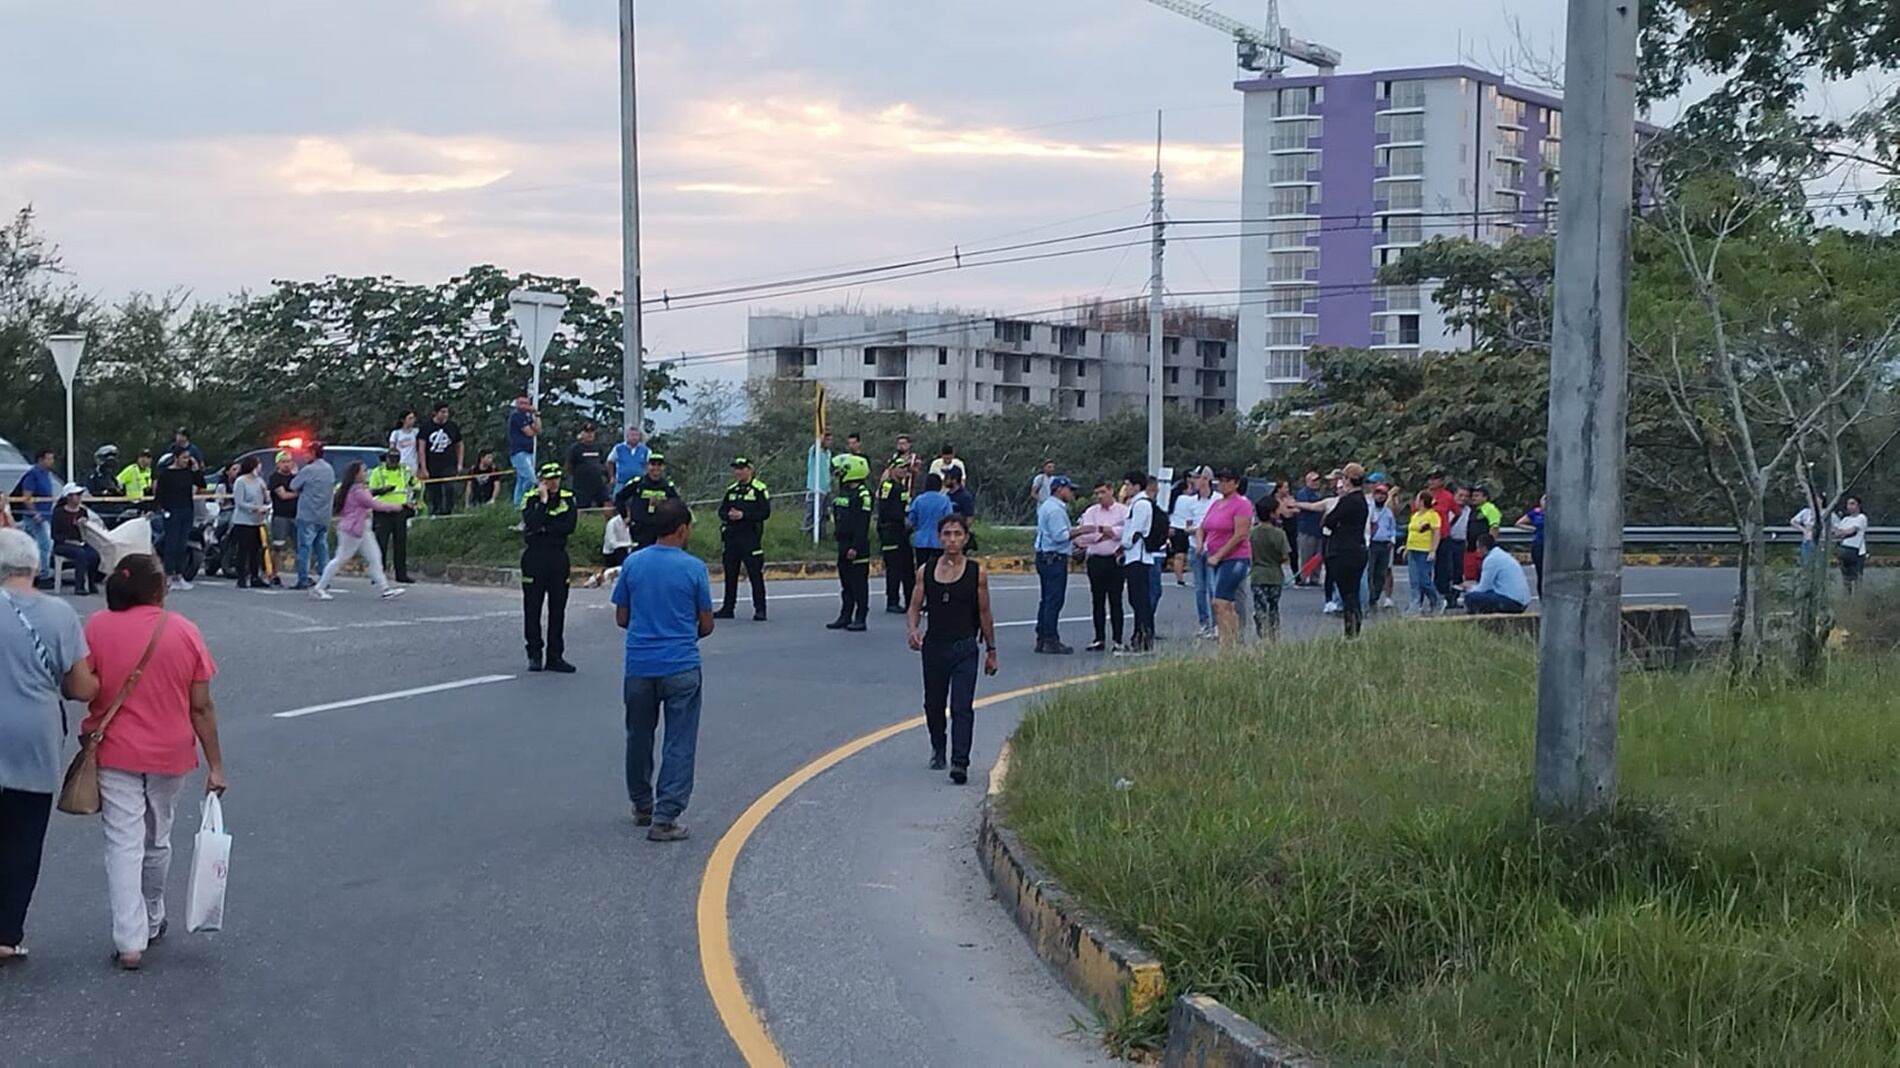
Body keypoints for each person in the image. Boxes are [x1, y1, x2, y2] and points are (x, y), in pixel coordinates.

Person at [81, 553, 225, 970]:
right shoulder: (184, 631)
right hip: (170, 751)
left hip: (114, 748)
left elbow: (84, 685)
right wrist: (215, 764)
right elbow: (201, 708)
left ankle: (129, 940)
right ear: (158, 590)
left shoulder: (96, 627)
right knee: (157, 835)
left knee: (122, 842)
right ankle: (154, 914)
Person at [0, 527, 100, 964]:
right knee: (22, 838)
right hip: (33, 738)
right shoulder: (60, 615)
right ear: (35, 564)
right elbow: (79, 687)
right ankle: (6, 934)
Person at [612, 499, 713, 842]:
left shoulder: (633, 563)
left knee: (638, 735)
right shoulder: (694, 568)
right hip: (681, 664)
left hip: (639, 664)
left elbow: (622, 617)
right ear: (682, 529)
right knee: (679, 741)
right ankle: (666, 816)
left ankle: (642, 805)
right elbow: (706, 624)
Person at [907, 513, 997, 784]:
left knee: (961, 706)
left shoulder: (976, 573)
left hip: (965, 647)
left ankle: (960, 762)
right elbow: (914, 607)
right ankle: (938, 745)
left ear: (965, 538)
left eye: (957, 534)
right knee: (933, 704)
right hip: (934, 647)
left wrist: (991, 650)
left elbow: (984, 612)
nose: (952, 539)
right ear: (939, 537)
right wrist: (913, 630)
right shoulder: (926, 570)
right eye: (947, 534)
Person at [311, 461, 406, 602]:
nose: (366, 473)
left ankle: (385, 588)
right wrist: (395, 506)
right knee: (341, 559)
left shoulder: (356, 489)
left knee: (375, 557)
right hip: (352, 530)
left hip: (362, 529)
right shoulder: (357, 491)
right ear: (356, 474)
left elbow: (371, 497)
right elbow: (375, 504)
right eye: (364, 471)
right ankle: (320, 587)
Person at [520, 462, 577, 673]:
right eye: (549, 479)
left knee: (558, 608)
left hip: (558, 557)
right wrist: (543, 502)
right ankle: (534, 654)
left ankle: (555, 656)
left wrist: (545, 527)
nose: (553, 483)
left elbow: (568, 526)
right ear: (541, 480)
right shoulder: (531, 498)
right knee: (532, 608)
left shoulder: (568, 498)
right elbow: (533, 524)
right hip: (535, 557)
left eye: (556, 478)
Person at [1202, 468, 1255, 647]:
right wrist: (1200, 543)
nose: (1223, 484)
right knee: (1226, 603)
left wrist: (1219, 554)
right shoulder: (1216, 504)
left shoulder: (1242, 504)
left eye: (1227, 480)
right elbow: (1204, 525)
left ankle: (1229, 642)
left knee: (1220, 601)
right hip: (1215, 556)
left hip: (1235, 557)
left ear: (1236, 483)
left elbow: (1240, 534)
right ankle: (1232, 640)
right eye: (1221, 481)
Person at [715, 457, 771, 622]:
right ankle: (728, 608)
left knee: (755, 574)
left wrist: (744, 515)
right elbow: (721, 511)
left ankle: (760, 609)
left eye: (742, 468)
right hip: (732, 538)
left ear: (750, 469)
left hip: (750, 538)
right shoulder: (731, 490)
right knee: (730, 575)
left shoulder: (759, 488)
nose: (738, 472)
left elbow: (765, 513)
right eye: (736, 469)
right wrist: (729, 516)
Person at [1075, 481, 1127, 652]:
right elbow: (1086, 534)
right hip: (1096, 560)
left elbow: (1126, 532)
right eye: (1097, 493)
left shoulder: (1123, 511)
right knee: (1097, 600)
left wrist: (1111, 532)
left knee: (1116, 600)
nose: (1099, 496)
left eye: (1103, 492)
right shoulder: (1091, 512)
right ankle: (1099, 638)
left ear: (1111, 491)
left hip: (1114, 560)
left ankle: (1118, 639)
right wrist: (1107, 532)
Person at [1032, 475, 1079, 655]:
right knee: (1054, 600)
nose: (1071, 493)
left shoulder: (1047, 506)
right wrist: (1081, 531)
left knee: (1046, 599)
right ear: (1060, 489)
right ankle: (1050, 638)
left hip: (1045, 556)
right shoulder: (1056, 510)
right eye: (1069, 489)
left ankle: (1042, 636)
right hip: (1054, 558)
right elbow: (1061, 536)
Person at [1322, 464, 1371, 638]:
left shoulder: (1348, 500)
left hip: (1343, 551)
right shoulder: (1362, 501)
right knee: (1353, 593)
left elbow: (1328, 521)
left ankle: (1350, 632)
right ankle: (1354, 630)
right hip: (1358, 548)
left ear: (1348, 480)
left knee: (1347, 595)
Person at [1116, 472, 1161, 655]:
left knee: (1140, 600)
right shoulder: (1136, 504)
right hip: (1134, 556)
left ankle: (1143, 640)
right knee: (1136, 599)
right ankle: (1139, 637)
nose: (1126, 488)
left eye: (1128, 484)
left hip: (1139, 557)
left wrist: (1123, 544)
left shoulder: (1141, 505)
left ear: (1137, 485)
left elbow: (1135, 532)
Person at [827, 454, 873, 632]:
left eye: (841, 470)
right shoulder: (844, 491)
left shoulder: (863, 494)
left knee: (859, 584)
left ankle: (860, 618)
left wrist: (855, 546)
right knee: (846, 584)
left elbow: (863, 524)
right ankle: (845, 615)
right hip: (843, 543)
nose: (838, 473)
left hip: (857, 546)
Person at [152, 449, 204, 591]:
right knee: (172, 543)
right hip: (172, 511)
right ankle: (169, 575)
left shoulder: (188, 473)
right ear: (176, 458)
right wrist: (163, 509)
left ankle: (179, 575)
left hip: (186, 510)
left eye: (188, 458)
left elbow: (202, 483)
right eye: (184, 457)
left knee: (182, 543)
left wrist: (196, 470)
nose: (186, 460)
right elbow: (160, 494)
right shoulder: (166, 474)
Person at [366, 448, 417, 584]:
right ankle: (378, 575)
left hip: (400, 510)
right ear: (386, 459)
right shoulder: (378, 472)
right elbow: (371, 491)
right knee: (380, 544)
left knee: (400, 544)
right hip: (382, 512)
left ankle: (401, 575)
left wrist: (415, 501)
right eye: (391, 459)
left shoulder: (405, 471)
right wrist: (383, 490)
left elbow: (416, 485)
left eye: (396, 460)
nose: (394, 463)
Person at [289, 443, 335, 590]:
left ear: (313, 453)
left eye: (306, 453)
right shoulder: (329, 469)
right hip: (324, 514)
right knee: (322, 547)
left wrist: (295, 473)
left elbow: (293, 485)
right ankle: (325, 578)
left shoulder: (308, 470)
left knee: (304, 547)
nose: (304, 455)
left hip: (307, 513)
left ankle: (303, 578)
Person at [1173, 467, 1214, 630]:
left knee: (1213, 587)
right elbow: (1186, 525)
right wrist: (1195, 530)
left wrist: (1203, 529)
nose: (1194, 481)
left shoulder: (1217, 499)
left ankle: (1216, 623)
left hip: (1212, 547)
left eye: (1197, 478)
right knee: (1199, 588)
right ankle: (1204, 623)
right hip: (1194, 546)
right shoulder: (1189, 501)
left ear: (1206, 479)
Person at [616, 453, 681, 549]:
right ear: (647, 466)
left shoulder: (668, 486)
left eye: (659, 465)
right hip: (640, 528)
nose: (655, 468)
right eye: (653, 464)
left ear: (663, 467)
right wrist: (625, 516)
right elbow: (619, 497)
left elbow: (676, 505)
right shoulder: (638, 483)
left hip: (660, 528)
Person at [876, 456, 915, 614]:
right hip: (891, 531)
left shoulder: (902, 487)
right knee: (894, 568)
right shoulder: (888, 486)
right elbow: (884, 510)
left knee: (907, 567)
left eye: (906, 467)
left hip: (903, 532)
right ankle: (892, 601)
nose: (905, 470)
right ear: (892, 470)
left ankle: (910, 600)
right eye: (901, 467)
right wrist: (901, 518)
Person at [1248, 494, 1290, 640]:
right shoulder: (1279, 534)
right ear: (1272, 513)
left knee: (1260, 606)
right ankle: (1273, 634)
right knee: (1273, 607)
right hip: (1275, 576)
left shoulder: (1252, 533)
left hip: (1258, 575)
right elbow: (1285, 556)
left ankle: (1261, 633)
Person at [1462, 531, 1531, 615]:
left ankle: (1479, 621)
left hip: (1513, 601)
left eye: (1478, 548)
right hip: (1521, 600)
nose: (1477, 551)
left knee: (1470, 597)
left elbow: (1484, 588)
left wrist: (1469, 589)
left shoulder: (1491, 560)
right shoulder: (1501, 554)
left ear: (1484, 548)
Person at [51, 485, 104, 595]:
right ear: (69, 497)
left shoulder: (82, 511)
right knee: (80, 554)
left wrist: (83, 526)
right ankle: (79, 586)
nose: (79, 497)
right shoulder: (58, 512)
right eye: (77, 495)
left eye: (80, 495)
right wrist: (68, 541)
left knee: (94, 554)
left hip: (80, 542)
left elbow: (86, 534)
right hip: (63, 544)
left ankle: (91, 582)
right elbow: (55, 534)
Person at [15, 450, 57, 585]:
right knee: (44, 544)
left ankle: (34, 572)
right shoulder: (33, 475)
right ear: (41, 460)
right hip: (35, 517)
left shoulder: (46, 475)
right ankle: (43, 575)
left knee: (37, 546)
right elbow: (26, 497)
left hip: (46, 515)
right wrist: (34, 513)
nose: (51, 462)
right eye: (49, 459)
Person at [228, 457, 270, 589]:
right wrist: (254, 508)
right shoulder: (241, 482)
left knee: (256, 550)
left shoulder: (259, 481)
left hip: (257, 521)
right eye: (258, 465)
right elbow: (239, 503)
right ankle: (241, 577)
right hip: (243, 520)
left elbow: (266, 499)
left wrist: (265, 497)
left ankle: (254, 576)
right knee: (243, 549)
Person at [907, 472, 953, 582]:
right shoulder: (945, 500)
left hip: (921, 541)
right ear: (939, 485)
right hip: (938, 542)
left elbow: (911, 520)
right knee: (938, 572)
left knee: (922, 572)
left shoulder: (919, 500)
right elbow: (949, 520)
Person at [420, 403, 464, 517]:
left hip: (448, 463)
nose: (445, 414)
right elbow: (421, 448)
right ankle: (435, 512)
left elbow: (459, 445)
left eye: (446, 412)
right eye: (442, 412)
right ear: (435, 413)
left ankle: (448, 511)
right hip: (432, 464)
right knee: (434, 491)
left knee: (450, 487)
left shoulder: (452, 426)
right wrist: (423, 468)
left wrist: (459, 463)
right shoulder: (426, 427)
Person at [1406, 490, 1444, 614]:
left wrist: (1433, 550)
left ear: (1422, 501)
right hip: (1413, 549)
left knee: (1424, 580)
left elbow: (1436, 533)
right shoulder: (1415, 515)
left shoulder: (1432, 515)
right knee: (1414, 580)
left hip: (1424, 550)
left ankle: (1437, 600)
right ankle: (1415, 605)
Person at [266, 451, 298, 587]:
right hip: (281, 516)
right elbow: (283, 495)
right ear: (278, 464)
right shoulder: (275, 478)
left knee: (300, 547)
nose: (286, 464)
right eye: (283, 462)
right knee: (278, 547)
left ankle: (302, 575)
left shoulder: (295, 477)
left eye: (289, 461)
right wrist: (298, 493)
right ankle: (273, 574)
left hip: (296, 516)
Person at [1437, 486, 1471, 610]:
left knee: (1459, 572)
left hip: (1461, 543)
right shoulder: (1449, 510)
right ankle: (1444, 597)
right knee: (1446, 571)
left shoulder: (1468, 510)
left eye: (1466, 496)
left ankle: (1454, 599)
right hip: (1449, 541)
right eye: (1460, 496)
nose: (1463, 499)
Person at [1367, 478, 1397, 613]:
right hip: (1372, 544)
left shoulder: (1388, 512)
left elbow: (1392, 527)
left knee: (1382, 572)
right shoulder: (1369, 509)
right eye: (1378, 494)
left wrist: (1392, 540)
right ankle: (1369, 597)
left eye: (1383, 494)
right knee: (1370, 572)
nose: (1380, 496)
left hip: (1385, 544)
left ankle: (1376, 596)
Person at [506, 393, 541, 507]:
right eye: (521, 403)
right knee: (530, 479)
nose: (524, 406)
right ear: (516, 403)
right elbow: (530, 432)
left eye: (526, 403)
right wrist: (533, 430)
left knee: (521, 480)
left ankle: (517, 505)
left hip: (528, 451)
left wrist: (536, 415)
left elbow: (538, 429)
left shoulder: (527, 416)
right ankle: (522, 501)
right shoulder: (517, 415)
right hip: (519, 452)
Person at [1292, 470, 1325, 587]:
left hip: (1319, 529)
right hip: (1306, 529)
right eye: (1313, 480)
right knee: (1306, 554)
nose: (1316, 483)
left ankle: (1315, 578)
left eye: (1317, 480)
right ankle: (1304, 577)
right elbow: (1304, 506)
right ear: (1307, 481)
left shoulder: (1320, 494)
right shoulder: (1303, 493)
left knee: (1318, 555)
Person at [566, 422, 609, 510]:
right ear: (581, 433)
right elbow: (569, 465)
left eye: (592, 432)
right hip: (582, 486)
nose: (590, 434)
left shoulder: (598, 447)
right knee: (582, 508)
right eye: (587, 432)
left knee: (606, 503)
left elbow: (603, 462)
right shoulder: (575, 448)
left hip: (598, 483)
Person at [1834, 495, 1870, 594]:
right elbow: (1837, 533)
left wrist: (1842, 532)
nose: (1849, 506)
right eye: (1848, 504)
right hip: (1844, 549)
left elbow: (1851, 531)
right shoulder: (1845, 519)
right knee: (1846, 578)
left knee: (1857, 577)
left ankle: (1858, 597)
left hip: (1856, 551)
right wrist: (1841, 532)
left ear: (1858, 505)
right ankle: (1847, 597)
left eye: (1852, 504)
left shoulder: (1861, 517)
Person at [607, 425, 649, 503]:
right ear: (627, 436)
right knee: (617, 500)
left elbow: (648, 464)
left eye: (636, 435)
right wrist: (612, 476)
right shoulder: (618, 448)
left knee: (639, 502)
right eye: (632, 435)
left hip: (638, 483)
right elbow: (610, 461)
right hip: (622, 481)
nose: (634, 437)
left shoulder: (645, 450)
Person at [1517, 495, 1546, 598]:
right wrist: (1532, 529)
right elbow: (1519, 523)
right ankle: (1541, 597)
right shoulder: (1536, 512)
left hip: (1552, 545)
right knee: (1540, 572)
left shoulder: (1557, 512)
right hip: (1539, 543)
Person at [388, 409, 421, 479]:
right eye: (410, 418)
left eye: (413, 418)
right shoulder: (396, 433)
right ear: (403, 420)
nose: (412, 420)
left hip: (413, 463)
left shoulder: (416, 432)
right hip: (401, 463)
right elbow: (392, 448)